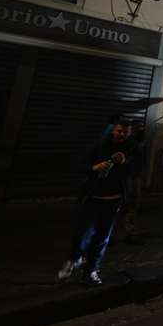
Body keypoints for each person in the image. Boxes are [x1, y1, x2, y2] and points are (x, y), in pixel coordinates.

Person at [58, 120, 134, 286]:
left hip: (113, 201)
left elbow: (136, 170)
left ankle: (91, 270)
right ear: (113, 131)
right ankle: (74, 259)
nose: (122, 134)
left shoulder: (131, 150)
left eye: (125, 132)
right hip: (92, 197)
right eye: (120, 131)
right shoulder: (99, 146)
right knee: (81, 231)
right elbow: (79, 164)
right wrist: (94, 168)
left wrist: (126, 162)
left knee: (102, 236)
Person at [122, 121, 147, 241]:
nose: (142, 129)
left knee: (133, 203)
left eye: (143, 127)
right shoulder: (130, 143)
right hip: (129, 176)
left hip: (135, 175)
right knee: (129, 203)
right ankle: (129, 231)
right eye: (140, 127)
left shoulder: (139, 143)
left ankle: (130, 229)